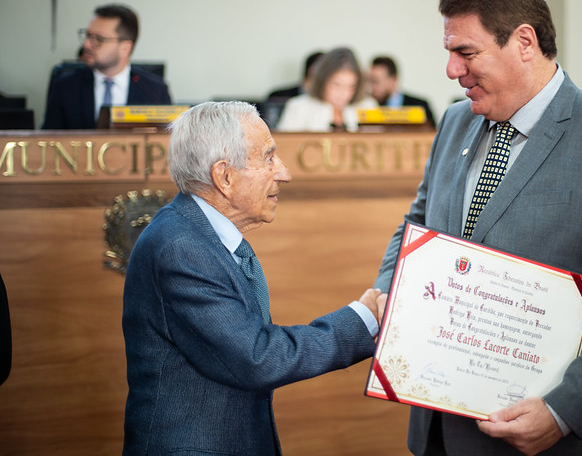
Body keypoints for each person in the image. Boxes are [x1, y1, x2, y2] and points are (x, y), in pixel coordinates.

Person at [373, 0, 582, 456]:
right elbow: (418, 223)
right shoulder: (453, 121)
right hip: (441, 424)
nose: (451, 70)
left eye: (465, 52)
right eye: (449, 52)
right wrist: (388, 294)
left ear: (525, 42)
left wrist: (562, 412)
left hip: (550, 435)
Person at [122, 101, 385, 454]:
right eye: (269, 158)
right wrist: (363, 318)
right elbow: (258, 357)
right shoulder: (181, 248)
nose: (285, 173)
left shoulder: (198, 234)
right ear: (224, 176)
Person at [42, 3, 171, 130]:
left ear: (125, 48)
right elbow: (47, 143)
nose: (86, 45)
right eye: (87, 36)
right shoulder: (64, 86)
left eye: (98, 39)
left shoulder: (155, 90)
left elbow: (167, 143)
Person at [277, 47, 377, 132]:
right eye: (337, 85)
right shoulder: (298, 107)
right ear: (322, 81)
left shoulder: (368, 107)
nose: (344, 94)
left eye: (351, 87)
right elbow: (283, 148)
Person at [369, 55, 436, 127]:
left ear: (393, 80)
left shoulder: (420, 106)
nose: (370, 88)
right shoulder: (369, 107)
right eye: (369, 81)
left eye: (375, 81)